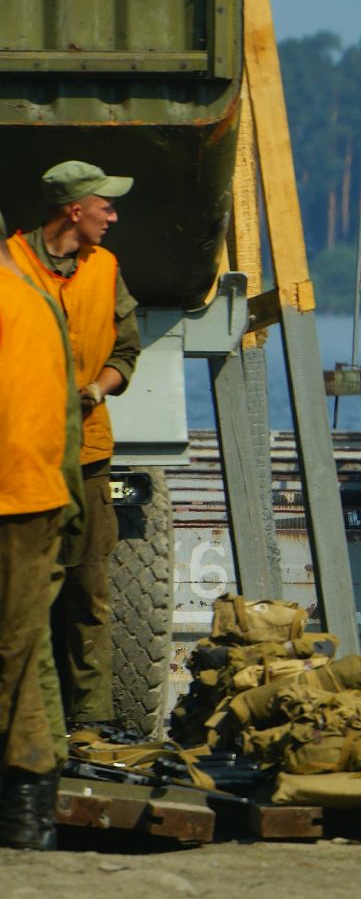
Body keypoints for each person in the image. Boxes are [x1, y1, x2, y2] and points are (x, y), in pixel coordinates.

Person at [7, 160, 140, 729]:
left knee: (89, 594)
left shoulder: (106, 267)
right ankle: (29, 725)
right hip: (23, 458)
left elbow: (126, 353)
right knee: (24, 601)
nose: (112, 214)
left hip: (87, 454)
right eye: (104, 205)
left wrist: (95, 389)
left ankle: (90, 724)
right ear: (73, 210)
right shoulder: (11, 265)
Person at [0, 211, 79, 851]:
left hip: (9, 498)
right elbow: (65, 419)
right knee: (19, 652)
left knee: (11, 656)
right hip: (40, 498)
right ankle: (27, 813)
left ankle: (27, 808)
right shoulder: (35, 304)